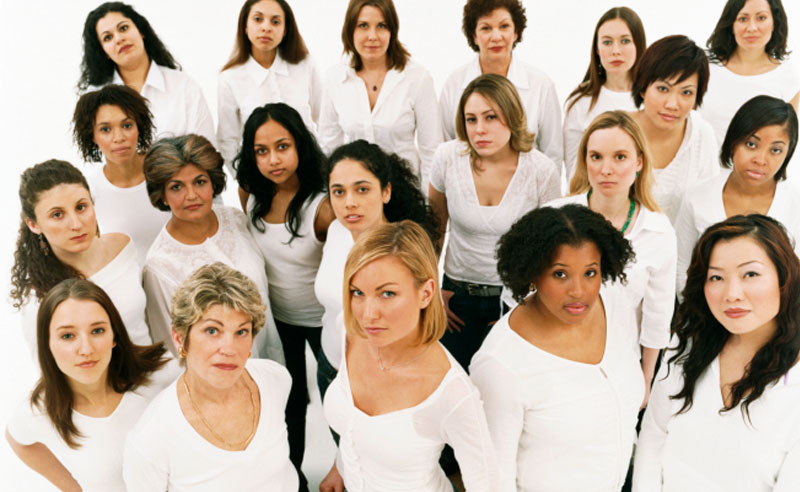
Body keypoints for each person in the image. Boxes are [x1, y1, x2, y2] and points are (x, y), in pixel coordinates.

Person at [470, 204, 643, 491]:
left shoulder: (612, 304)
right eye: (560, 274)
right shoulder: (500, 364)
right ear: (532, 273)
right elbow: (492, 478)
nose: (578, 291)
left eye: (590, 272)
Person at [319, 221, 498, 492]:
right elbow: (353, 426)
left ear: (426, 293)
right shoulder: (350, 332)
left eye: (387, 293)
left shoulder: (452, 393)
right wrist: (340, 467)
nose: (368, 315)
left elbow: (487, 484)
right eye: (358, 292)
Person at [633, 215, 800, 491]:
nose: (732, 293)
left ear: (785, 277)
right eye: (717, 277)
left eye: (751, 274)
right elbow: (654, 434)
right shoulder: (687, 343)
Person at [123, 263, 298, 491]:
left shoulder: (275, 380)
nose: (229, 348)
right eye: (212, 331)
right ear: (180, 338)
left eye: (241, 332)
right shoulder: (152, 438)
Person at [428, 73, 560, 370]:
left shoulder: (541, 170)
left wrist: (527, 303)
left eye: (491, 117)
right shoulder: (448, 157)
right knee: (456, 387)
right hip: (455, 296)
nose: (479, 130)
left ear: (512, 116)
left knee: (503, 391)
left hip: (513, 300)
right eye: (471, 119)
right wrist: (433, 289)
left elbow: (550, 248)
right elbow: (434, 229)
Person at [235, 102, 334, 491]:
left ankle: (352, 474)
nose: (273, 159)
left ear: (300, 146)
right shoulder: (252, 196)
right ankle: (291, 480)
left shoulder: (322, 205)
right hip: (279, 322)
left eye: (282, 146)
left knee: (337, 400)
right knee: (287, 403)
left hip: (325, 322)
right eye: (262, 151)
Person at [549, 110, 676, 407]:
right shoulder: (554, 217)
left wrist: (645, 381)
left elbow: (657, 318)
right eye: (596, 157)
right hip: (555, 368)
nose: (606, 169)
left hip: (618, 373)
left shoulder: (657, 232)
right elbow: (526, 298)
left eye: (620, 157)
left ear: (639, 162)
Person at [5, 278, 173, 492]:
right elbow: (17, 439)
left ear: (114, 336)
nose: (86, 349)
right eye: (67, 336)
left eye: (97, 331)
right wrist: (74, 489)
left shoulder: (161, 375)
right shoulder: (38, 412)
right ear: (48, 344)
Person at [314, 140, 439, 400]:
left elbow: (423, 325)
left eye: (362, 189)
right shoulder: (337, 231)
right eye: (338, 192)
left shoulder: (404, 249)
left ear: (386, 192)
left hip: (380, 383)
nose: (349, 202)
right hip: (331, 368)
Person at [141, 134, 282, 362]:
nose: (191, 195)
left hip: (271, 357)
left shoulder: (236, 220)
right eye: (176, 187)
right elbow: (171, 347)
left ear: (213, 182)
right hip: (220, 380)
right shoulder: (160, 266)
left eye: (199, 182)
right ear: (163, 195)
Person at [11, 159, 151, 357]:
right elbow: (51, 376)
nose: (76, 224)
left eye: (81, 207)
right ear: (34, 225)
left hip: (163, 373)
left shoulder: (123, 247)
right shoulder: (39, 300)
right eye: (58, 214)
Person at [676, 95, 800, 294]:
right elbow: (682, 267)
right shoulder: (697, 197)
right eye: (751, 144)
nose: (761, 159)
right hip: (706, 317)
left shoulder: (795, 204)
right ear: (734, 141)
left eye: (775, 150)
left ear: (788, 154)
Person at [318, 0, 441, 187]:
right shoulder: (335, 78)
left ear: (392, 31)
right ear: (350, 30)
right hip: (355, 193)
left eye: (382, 26)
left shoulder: (417, 78)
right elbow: (329, 147)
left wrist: (427, 207)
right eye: (363, 26)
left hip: (405, 192)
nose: (372, 36)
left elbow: (431, 152)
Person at [440, 0, 562, 171]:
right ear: (474, 36)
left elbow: (553, 154)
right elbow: (445, 151)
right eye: (486, 28)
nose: (496, 37)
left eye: (504, 26)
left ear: (516, 32)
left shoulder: (541, 85)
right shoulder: (454, 84)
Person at [78, 2, 215, 144]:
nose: (119, 39)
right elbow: (93, 159)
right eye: (108, 37)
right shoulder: (94, 97)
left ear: (141, 31)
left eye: (123, 28)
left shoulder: (182, 86)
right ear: (103, 51)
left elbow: (206, 150)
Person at [72, 84, 170, 266]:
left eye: (127, 125)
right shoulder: (89, 192)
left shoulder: (167, 170)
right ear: (92, 136)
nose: (119, 137)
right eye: (105, 129)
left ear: (138, 127)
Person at [217, 0, 322, 167]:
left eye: (275, 21)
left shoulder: (305, 65)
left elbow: (323, 120)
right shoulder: (230, 77)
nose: (266, 27)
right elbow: (227, 139)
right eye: (258, 19)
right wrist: (244, 180)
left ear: (285, 29)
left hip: (310, 168)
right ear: (245, 26)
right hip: (264, 174)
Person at [630, 35, 719, 223]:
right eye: (663, 88)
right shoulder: (615, 130)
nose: (672, 104)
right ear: (643, 88)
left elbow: (708, 211)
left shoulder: (702, 135)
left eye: (686, 92)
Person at [702, 0, 800, 146]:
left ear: (774, 22)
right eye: (743, 19)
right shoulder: (705, 67)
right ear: (732, 25)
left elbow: (782, 143)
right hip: (698, 166)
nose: (752, 28)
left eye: (761, 18)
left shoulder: (788, 77)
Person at [563, 7, 646, 179]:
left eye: (625, 41)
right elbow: (574, 173)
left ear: (638, 45)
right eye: (607, 42)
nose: (616, 50)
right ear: (597, 49)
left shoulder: (653, 97)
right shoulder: (581, 102)